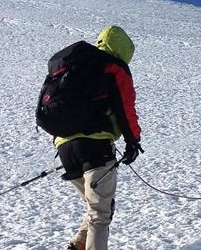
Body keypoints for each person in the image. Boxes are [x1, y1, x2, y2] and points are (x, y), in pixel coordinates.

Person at [53, 26, 142, 250]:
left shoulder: (75, 64)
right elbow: (125, 108)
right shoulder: (114, 68)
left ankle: (79, 244)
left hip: (64, 149)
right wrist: (133, 141)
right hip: (96, 149)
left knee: (96, 207)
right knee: (100, 215)